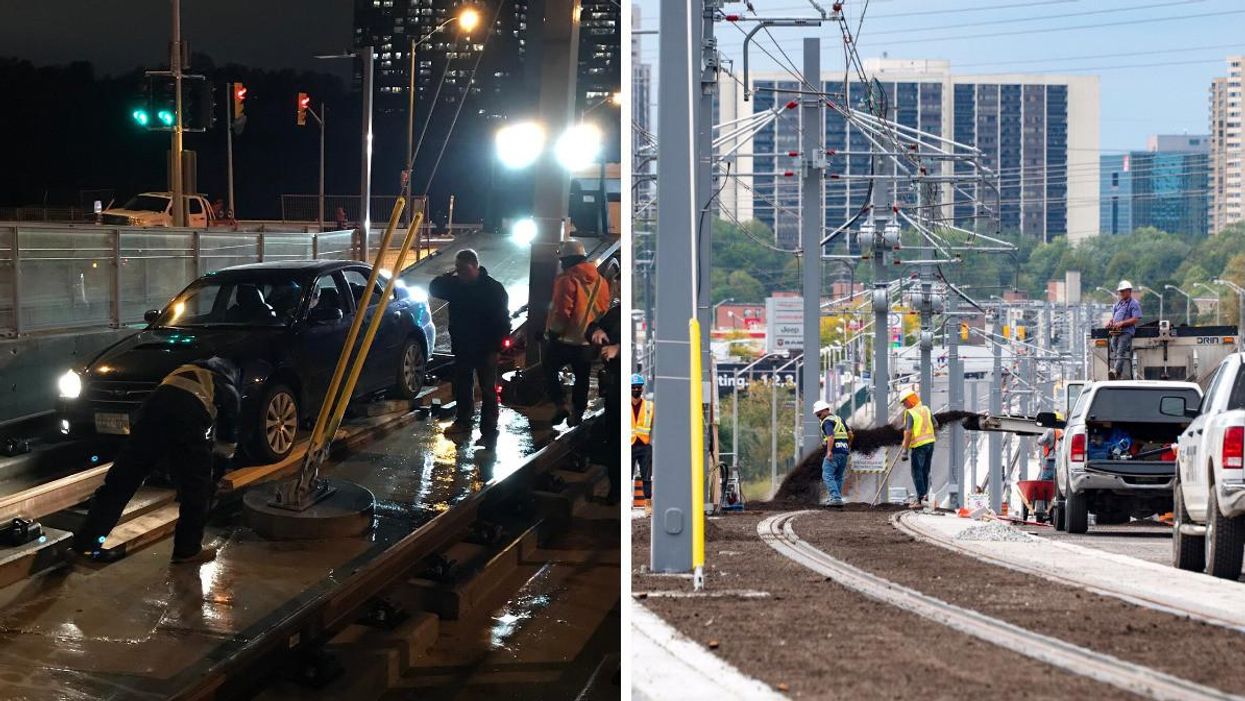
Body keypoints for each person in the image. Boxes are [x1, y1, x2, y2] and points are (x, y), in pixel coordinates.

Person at [73, 357, 241, 565]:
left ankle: (84, 546)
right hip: (186, 423)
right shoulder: (226, 388)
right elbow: (227, 439)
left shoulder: (181, 370)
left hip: (149, 418)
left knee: (121, 482)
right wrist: (217, 472)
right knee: (196, 490)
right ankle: (187, 550)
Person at [429, 249, 511, 439]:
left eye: (463, 270)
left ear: (475, 267)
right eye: (458, 269)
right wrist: (450, 274)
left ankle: (489, 425)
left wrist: (499, 344)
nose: (461, 274)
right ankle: (464, 421)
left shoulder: (493, 289)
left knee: (488, 387)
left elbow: (502, 319)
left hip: (486, 347)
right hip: (463, 345)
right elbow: (434, 287)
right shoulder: (456, 285)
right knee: (463, 385)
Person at [544, 239, 611, 426]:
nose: (561, 264)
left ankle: (560, 406)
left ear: (568, 260)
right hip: (588, 342)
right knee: (582, 377)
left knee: (549, 369)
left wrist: (553, 333)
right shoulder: (601, 282)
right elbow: (603, 310)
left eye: (562, 260)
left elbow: (561, 311)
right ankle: (577, 414)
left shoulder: (567, 279)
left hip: (565, 340)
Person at [587, 302, 621, 502]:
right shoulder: (616, 313)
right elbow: (591, 326)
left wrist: (620, 349)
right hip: (614, 387)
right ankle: (615, 489)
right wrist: (596, 331)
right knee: (613, 439)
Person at [899, 386, 938, 508]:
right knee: (925, 471)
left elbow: (908, 432)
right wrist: (933, 435)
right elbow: (936, 424)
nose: (904, 405)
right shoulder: (925, 409)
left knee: (916, 472)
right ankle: (924, 497)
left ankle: (921, 498)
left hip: (919, 446)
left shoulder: (910, 413)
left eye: (904, 402)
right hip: (930, 443)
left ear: (910, 400)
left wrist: (905, 450)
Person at [814, 400, 852, 507]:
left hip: (834, 452)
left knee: (827, 474)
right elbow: (851, 434)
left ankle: (835, 497)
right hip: (843, 453)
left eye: (819, 414)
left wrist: (829, 451)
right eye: (817, 415)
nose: (818, 417)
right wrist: (847, 446)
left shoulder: (827, 422)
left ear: (825, 410)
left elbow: (830, 436)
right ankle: (836, 498)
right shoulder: (840, 419)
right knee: (838, 476)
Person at [1107, 279, 1142, 380]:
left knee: (1120, 351)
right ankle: (1118, 373)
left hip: (1126, 332)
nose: (1121, 293)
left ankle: (1116, 371)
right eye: (1120, 291)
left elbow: (1135, 319)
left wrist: (1122, 323)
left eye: (1123, 291)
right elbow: (1114, 317)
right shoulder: (1118, 304)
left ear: (1129, 291)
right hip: (1116, 331)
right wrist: (1111, 322)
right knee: (1114, 349)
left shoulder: (1134, 303)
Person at [628, 374, 654, 507]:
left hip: (644, 446)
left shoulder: (650, 406)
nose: (636, 390)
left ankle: (648, 504)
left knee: (646, 477)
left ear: (642, 388)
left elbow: (655, 426)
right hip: (629, 446)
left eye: (638, 387)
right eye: (633, 387)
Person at [1036, 413, 1064, 481]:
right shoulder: (1063, 431)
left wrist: (1040, 436)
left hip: (1051, 459)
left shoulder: (1050, 430)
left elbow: (1040, 441)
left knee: (1045, 479)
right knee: (1057, 480)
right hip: (1060, 460)